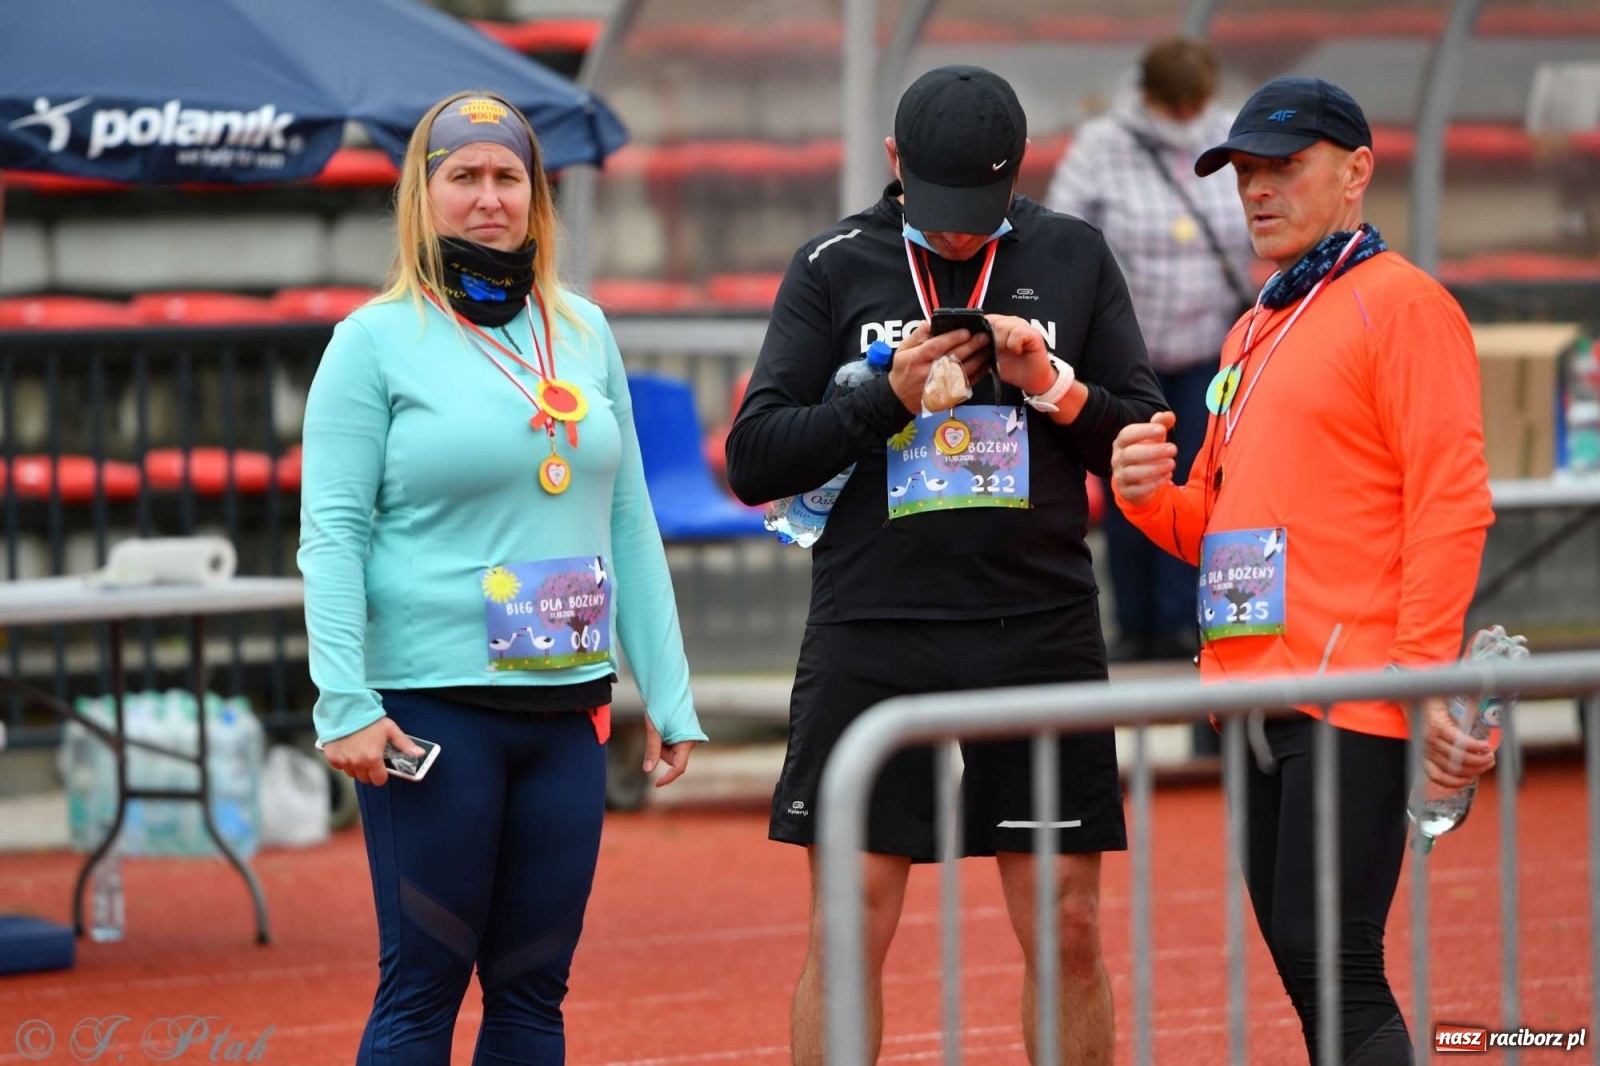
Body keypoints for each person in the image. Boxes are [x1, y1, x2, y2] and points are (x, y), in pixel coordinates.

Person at [726, 65, 1166, 1065]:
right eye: (938, 206)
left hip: (1038, 624)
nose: (960, 233)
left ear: (1019, 172)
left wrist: (1049, 383)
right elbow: (754, 459)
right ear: (894, 162)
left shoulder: (1073, 254)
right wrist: (881, 398)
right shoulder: (832, 263)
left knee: (1070, 924)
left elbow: (1141, 438)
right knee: (848, 928)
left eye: (979, 206)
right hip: (875, 626)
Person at [298, 90, 705, 1065]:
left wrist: (670, 692)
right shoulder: (372, 341)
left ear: (537, 195)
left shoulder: (585, 330)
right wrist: (343, 701)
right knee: (422, 990)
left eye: (508, 176)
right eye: (465, 176)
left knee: (533, 995)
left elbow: (627, 520)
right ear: (422, 193)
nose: (489, 197)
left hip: (567, 711)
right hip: (431, 712)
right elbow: (332, 533)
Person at [1109, 76, 1496, 1064]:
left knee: (1334, 964)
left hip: (1350, 690)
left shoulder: (1404, 305)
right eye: (1244, 171)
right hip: (1249, 697)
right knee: (1305, 959)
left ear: (1356, 171)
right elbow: (1213, 525)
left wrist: (1419, 675)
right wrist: (1143, 495)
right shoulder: (1253, 327)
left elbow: (1451, 501)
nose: (1256, 190)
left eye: (1282, 166)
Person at [1047, 35, 1255, 668]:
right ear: (1150, 97)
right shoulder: (1102, 144)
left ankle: (1183, 620)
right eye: (1175, 107)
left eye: (1195, 106)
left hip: (1208, 351)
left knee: (1201, 480)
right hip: (1127, 355)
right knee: (1130, 480)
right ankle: (1136, 623)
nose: (1186, 119)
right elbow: (1063, 233)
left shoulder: (1227, 134)